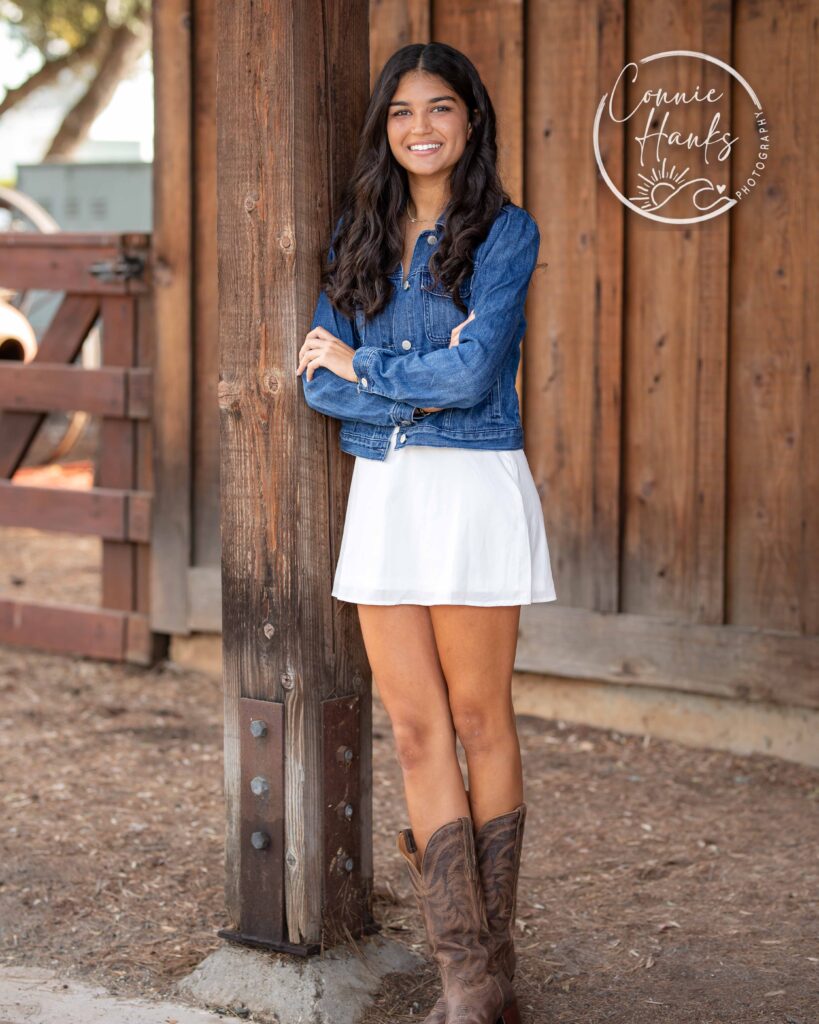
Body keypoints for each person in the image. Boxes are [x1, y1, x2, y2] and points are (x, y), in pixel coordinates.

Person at [296, 41, 557, 1024]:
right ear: (385, 129)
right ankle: (469, 981)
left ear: (470, 121)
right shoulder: (356, 234)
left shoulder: (505, 233)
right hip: (388, 493)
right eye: (402, 112)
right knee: (412, 729)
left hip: (472, 487)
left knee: (481, 715)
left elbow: (475, 374)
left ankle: (497, 960)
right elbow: (315, 379)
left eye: (440, 109)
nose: (420, 128)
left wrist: (370, 372)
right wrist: (384, 378)